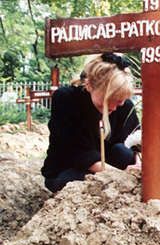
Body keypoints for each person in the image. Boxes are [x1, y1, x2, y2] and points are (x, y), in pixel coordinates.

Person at [42, 53, 141, 193]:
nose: (114, 106)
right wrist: (121, 176)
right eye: (110, 99)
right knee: (73, 180)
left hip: (112, 167)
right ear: (89, 85)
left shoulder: (124, 105)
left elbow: (134, 142)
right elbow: (80, 154)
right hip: (72, 169)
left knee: (123, 151)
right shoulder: (66, 99)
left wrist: (139, 164)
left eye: (120, 99)